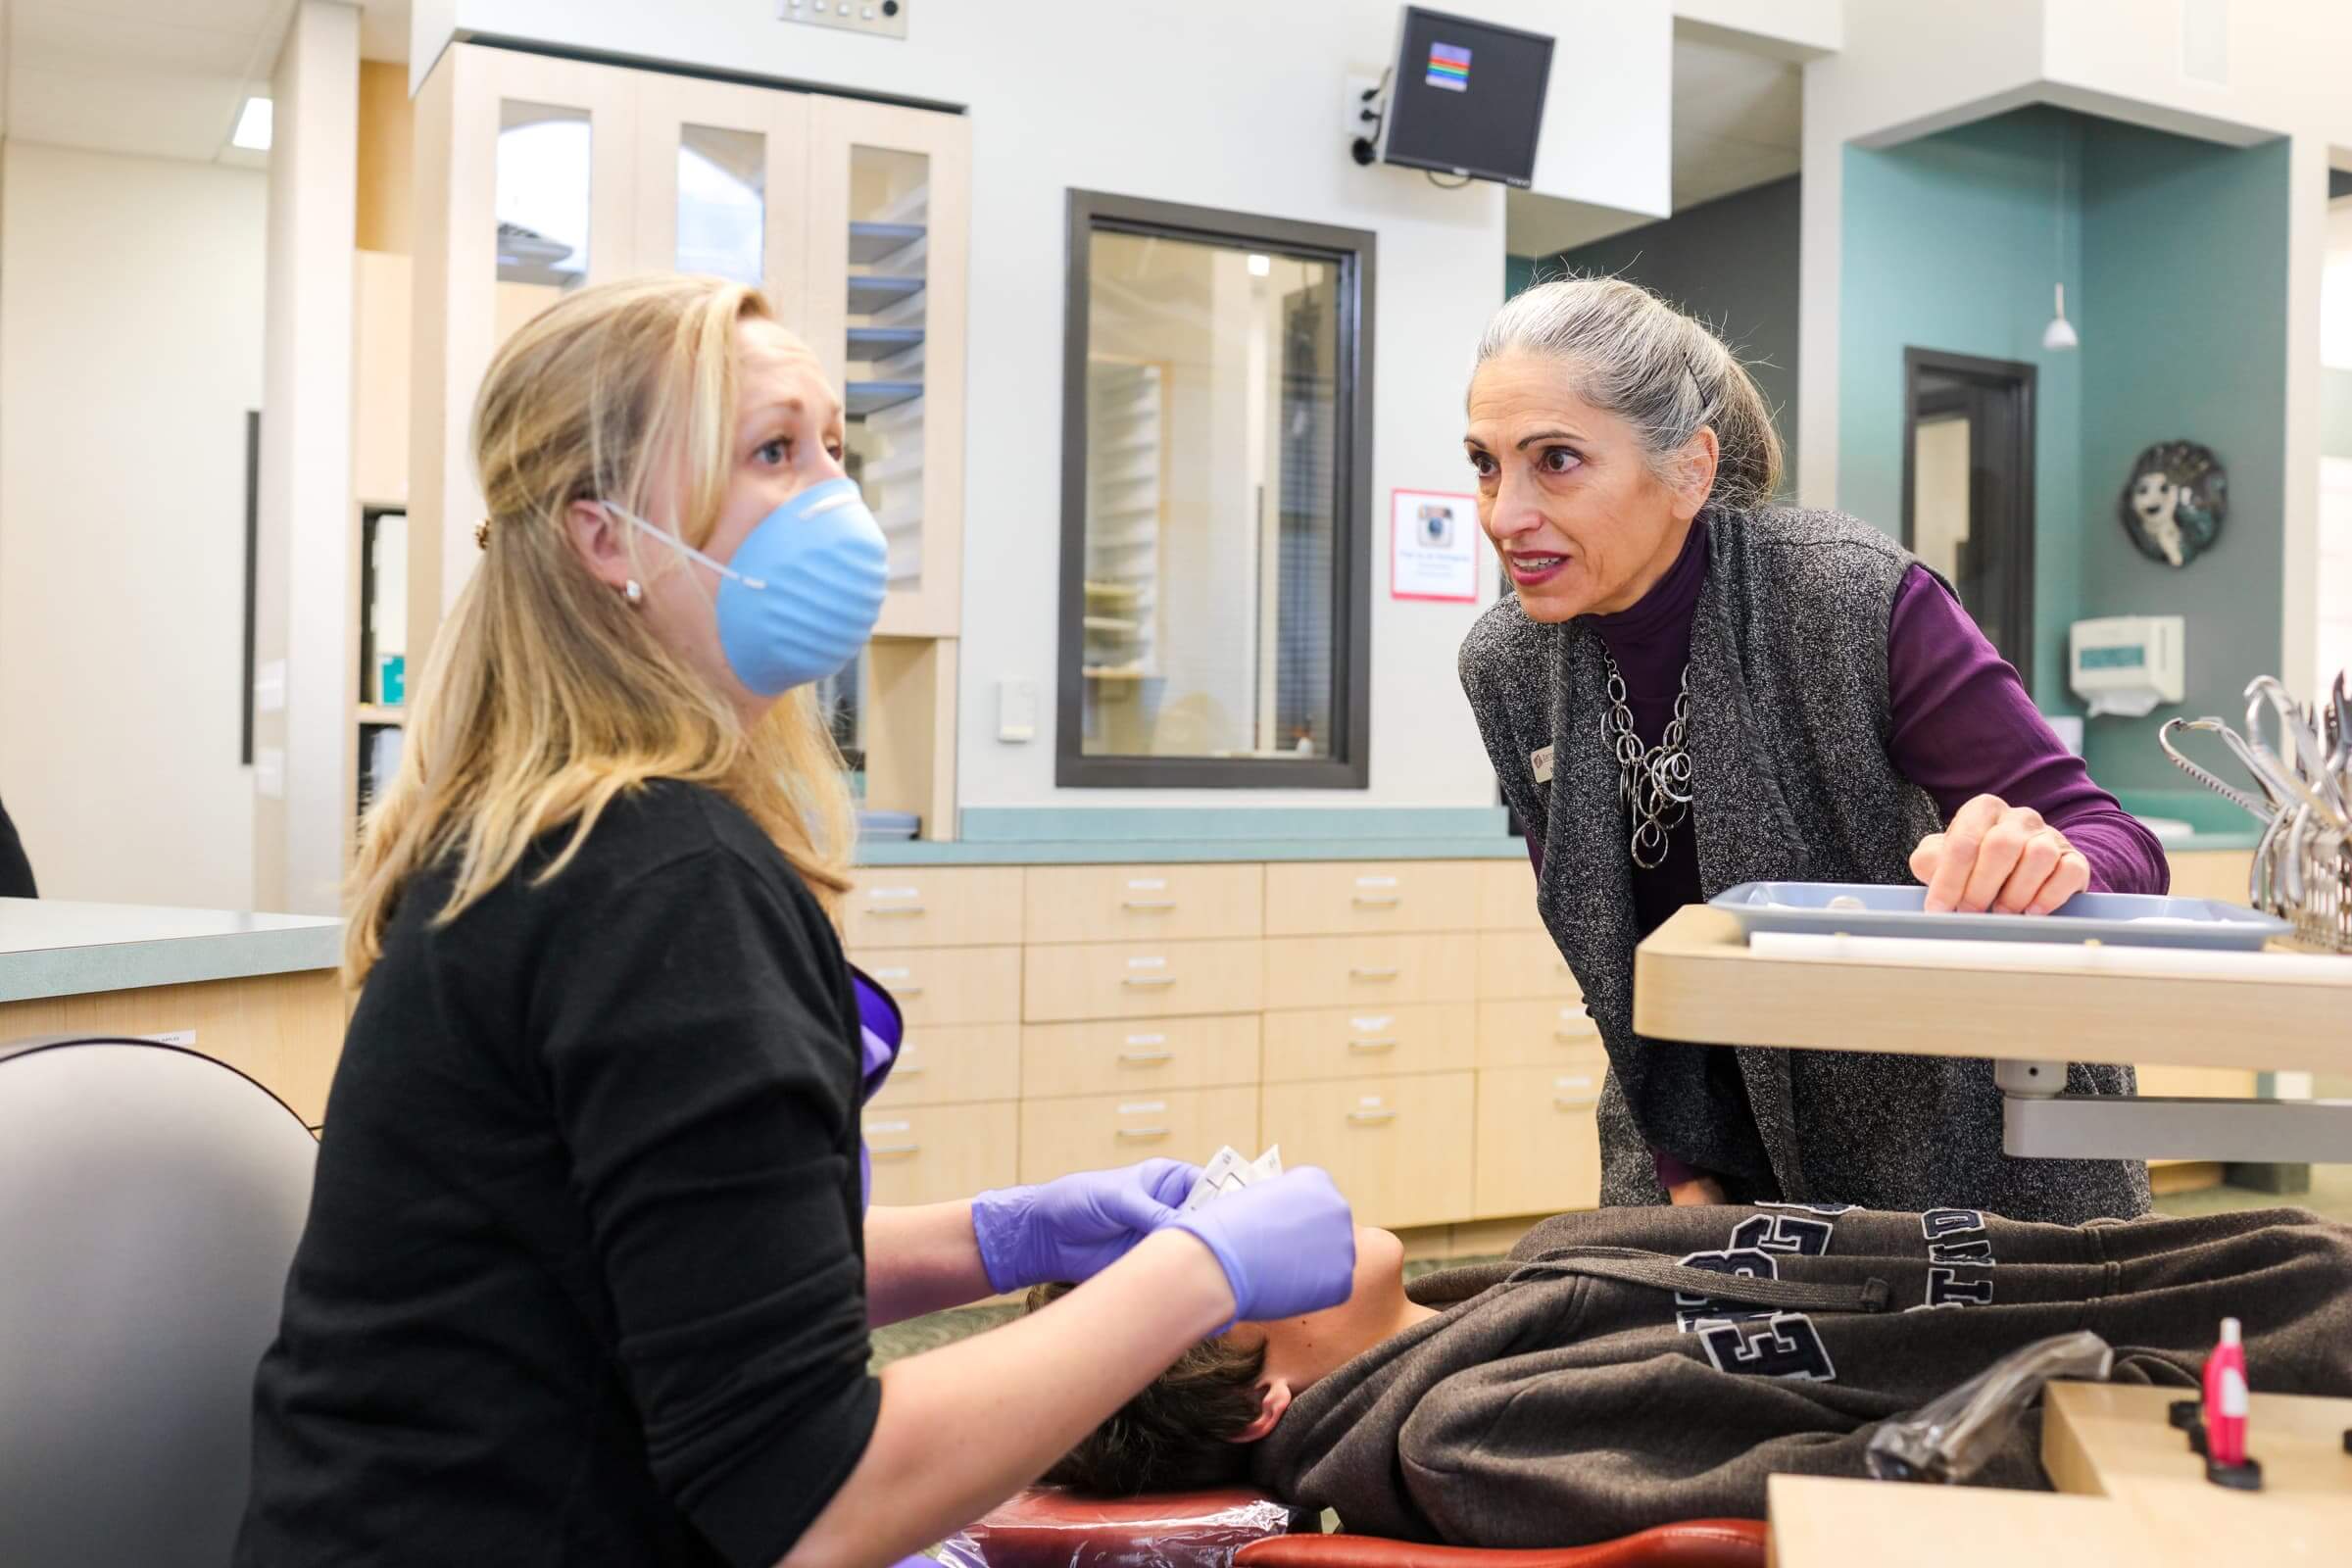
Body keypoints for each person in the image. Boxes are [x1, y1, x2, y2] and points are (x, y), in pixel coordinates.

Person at [232, 274, 1358, 1568]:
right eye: (773, 451)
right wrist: (1198, 1279)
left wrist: (1004, 1238)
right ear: (606, 540)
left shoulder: (556, 834)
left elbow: (688, 1282)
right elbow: (811, 1496)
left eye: (835, 446)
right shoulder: (654, 879)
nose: (836, 500)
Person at [1456, 276, 2168, 1221]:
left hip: (1962, 1154)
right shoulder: (1508, 665)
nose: (1506, 514)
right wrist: (1680, 1173)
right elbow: (1606, 961)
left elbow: (2113, 837)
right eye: (1485, 464)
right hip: (1695, 1155)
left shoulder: (1846, 598)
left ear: (1689, 472)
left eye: (1556, 461)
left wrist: (2048, 859)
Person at [1029, 1200, 2352, 1545]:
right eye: (1213, 1253)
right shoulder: (1471, 1435)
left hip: (2216, 1272)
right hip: (2241, 1388)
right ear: (1265, 1396)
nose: (1244, 1197)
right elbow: (1882, 1486)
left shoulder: (1501, 1293)